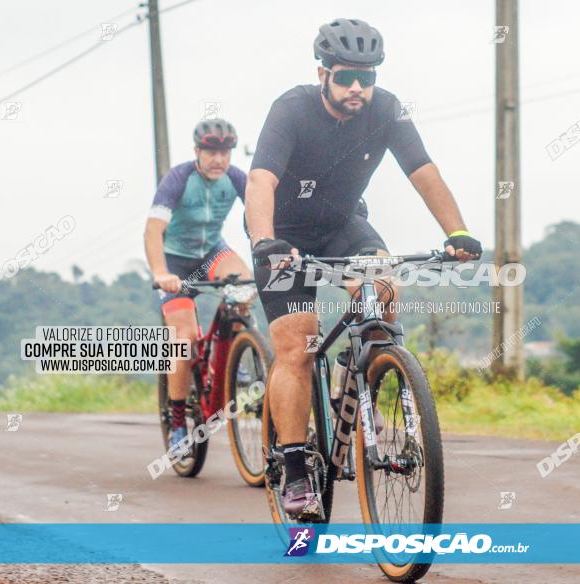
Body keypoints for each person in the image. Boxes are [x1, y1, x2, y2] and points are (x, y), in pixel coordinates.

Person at [245, 18, 482, 518]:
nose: (358, 88)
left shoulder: (388, 110)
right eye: (347, 77)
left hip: (343, 225)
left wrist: (457, 232)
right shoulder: (291, 109)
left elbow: (425, 171)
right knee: (298, 344)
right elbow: (261, 180)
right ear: (323, 73)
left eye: (367, 77)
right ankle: (293, 468)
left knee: (383, 289)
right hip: (283, 235)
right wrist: (265, 240)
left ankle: (366, 374)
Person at [144, 119, 254, 457]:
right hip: (176, 263)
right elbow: (152, 231)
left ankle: (238, 347)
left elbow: (261, 213)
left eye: (224, 152)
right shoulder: (178, 179)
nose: (218, 159)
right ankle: (178, 421)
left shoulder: (236, 177)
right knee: (184, 338)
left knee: (246, 285)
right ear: (197, 152)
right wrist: (161, 272)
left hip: (211, 253)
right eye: (211, 151)